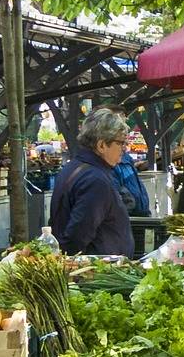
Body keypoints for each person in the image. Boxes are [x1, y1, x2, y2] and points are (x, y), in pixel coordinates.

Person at [48, 108, 135, 256]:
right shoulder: (95, 180)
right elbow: (78, 235)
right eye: (120, 143)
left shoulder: (75, 167)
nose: (124, 149)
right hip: (97, 271)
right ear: (101, 145)